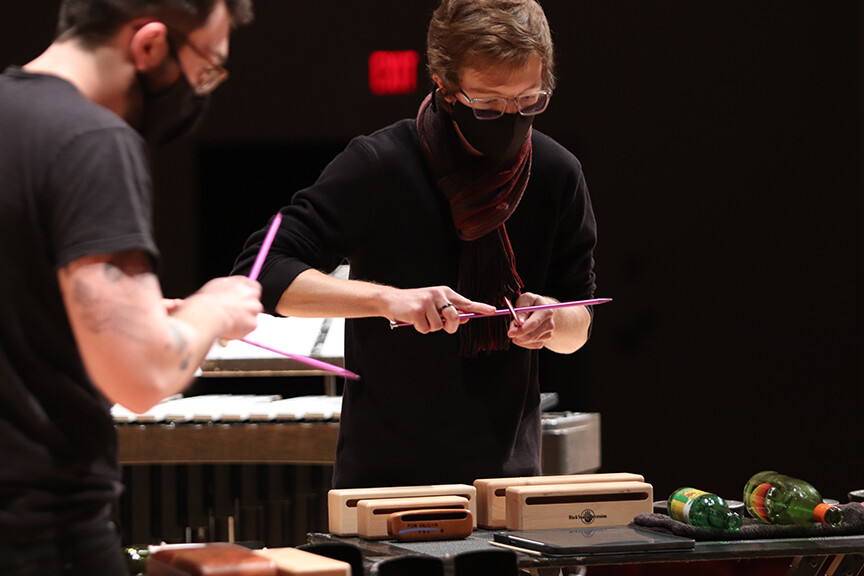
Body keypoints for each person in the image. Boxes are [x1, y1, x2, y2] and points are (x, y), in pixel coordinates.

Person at [233, 0, 597, 489]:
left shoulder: (557, 174)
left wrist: (553, 317)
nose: (511, 118)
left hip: (508, 481)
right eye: (487, 103)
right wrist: (391, 300)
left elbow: (580, 324)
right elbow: (259, 272)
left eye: (529, 101)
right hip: (385, 480)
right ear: (445, 87)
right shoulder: (380, 166)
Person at [0, 1, 260, 574]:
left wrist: (142, 319)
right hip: (41, 537)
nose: (200, 90)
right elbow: (143, 376)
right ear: (149, 44)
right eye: (206, 68)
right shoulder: (93, 139)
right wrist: (212, 310)